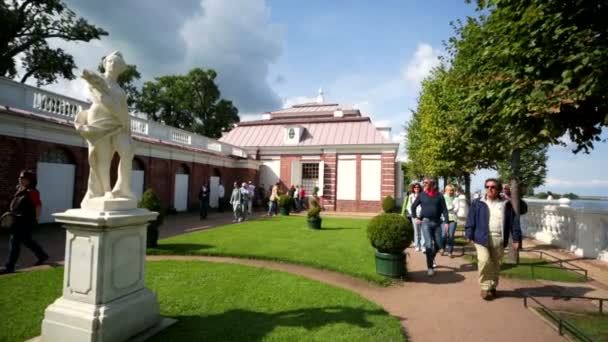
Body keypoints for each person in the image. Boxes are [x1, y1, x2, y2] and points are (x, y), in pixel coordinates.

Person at [465, 178, 522, 300]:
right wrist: (469, 234)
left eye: (493, 187)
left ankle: (493, 286)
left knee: (496, 265)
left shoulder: (506, 204)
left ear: (499, 189)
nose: (489, 189)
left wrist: (516, 239)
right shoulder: (478, 203)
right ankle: (485, 287)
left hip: (499, 238)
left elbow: (514, 223)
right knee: (484, 261)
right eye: (487, 186)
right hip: (481, 237)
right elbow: (470, 219)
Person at [1, 170, 49, 274]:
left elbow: (38, 205)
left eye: (23, 178)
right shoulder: (20, 190)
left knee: (14, 242)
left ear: (30, 180)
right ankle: (42, 255)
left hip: (26, 221)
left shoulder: (32, 192)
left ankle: (9, 267)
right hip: (17, 220)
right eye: (20, 178)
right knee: (27, 241)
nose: (20, 179)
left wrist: (36, 219)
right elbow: (15, 203)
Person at [411, 177, 449, 277]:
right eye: (423, 183)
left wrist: (446, 222)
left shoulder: (439, 196)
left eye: (426, 183)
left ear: (432, 184)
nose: (424, 184)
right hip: (425, 222)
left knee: (438, 243)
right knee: (428, 244)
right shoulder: (422, 195)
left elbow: (444, 210)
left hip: (437, 222)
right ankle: (430, 268)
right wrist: (415, 218)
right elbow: (413, 206)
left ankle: (431, 257)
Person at [401, 182, 424, 251]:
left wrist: (422, 214)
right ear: (413, 188)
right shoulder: (411, 196)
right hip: (414, 216)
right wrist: (414, 215)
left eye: (418, 187)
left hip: (422, 215)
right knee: (416, 231)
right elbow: (409, 206)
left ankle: (423, 246)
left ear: (420, 188)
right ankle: (417, 245)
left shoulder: (423, 195)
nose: (416, 188)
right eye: (415, 187)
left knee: (423, 230)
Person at [442, 184, 459, 257]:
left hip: (453, 219)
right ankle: (442, 248)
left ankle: (450, 252)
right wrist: (450, 207)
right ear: (446, 190)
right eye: (448, 190)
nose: (450, 191)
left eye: (452, 190)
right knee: (444, 235)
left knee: (451, 236)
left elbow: (456, 209)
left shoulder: (456, 198)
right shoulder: (442, 197)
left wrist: (448, 209)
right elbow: (442, 208)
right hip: (444, 219)